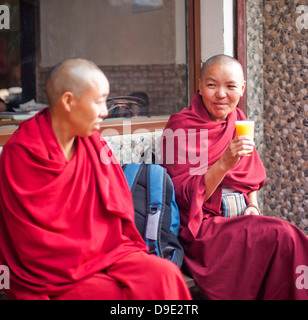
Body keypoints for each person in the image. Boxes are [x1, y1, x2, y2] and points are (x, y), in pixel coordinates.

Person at [0, 59, 192, 300]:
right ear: (68, 101)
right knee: (108, 293)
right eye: (98, 101)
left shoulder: (93, 143)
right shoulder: (22, 152)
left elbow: (117, 212)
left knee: (164, 274)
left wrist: (102, 255)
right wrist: (91, 257)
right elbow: (29, 240)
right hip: (53, 269)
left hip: (107, 251)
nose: (105, 111)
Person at [160, 54, 308, 300]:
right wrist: (224, 162)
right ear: (199, 86)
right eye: (211, 85)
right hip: (203, 228)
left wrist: (253, 206)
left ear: (242, 88)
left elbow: (250, 175)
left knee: (285, 243)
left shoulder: (237, 120)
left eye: (230, 86)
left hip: (241, 217)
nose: (220, 94)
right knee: (285, 236)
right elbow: (184, 198)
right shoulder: (180, 127)